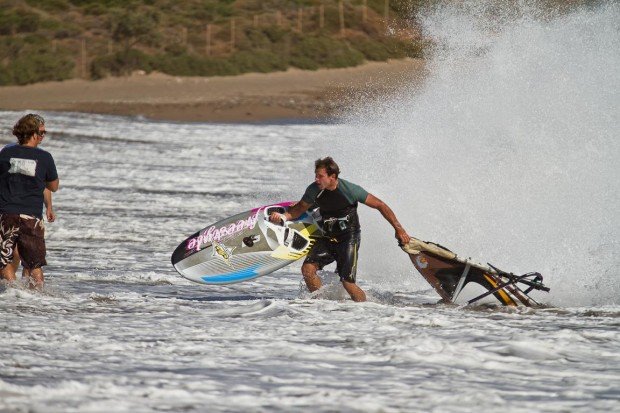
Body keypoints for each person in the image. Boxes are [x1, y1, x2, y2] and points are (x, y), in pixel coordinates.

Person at [269, 157, 410, 302]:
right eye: (315, 175)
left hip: (349, 238)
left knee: (347, 282)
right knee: (308, 270)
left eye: (320, 176)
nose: (316, 179)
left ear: (333, 176)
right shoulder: (314, 189)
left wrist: (399, 229)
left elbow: (380, 205)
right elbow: (299, 209)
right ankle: (321, 304)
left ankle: (366, 309)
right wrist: (283, 217)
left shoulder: (350, 190)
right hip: (327, 236)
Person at [0, 114, 59, 289]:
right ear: (33, 133)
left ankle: (14, 293)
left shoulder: (6, 152)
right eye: (42, 132)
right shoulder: (45, 157)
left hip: (6, 214)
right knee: (34, 265)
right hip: (31, 216)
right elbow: (52, 186)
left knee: (4, 260)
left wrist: (49, 205)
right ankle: (35, 301)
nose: (43, 136)